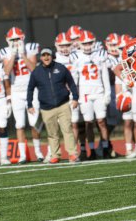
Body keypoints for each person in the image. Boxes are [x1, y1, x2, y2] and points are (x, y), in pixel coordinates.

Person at [0, 26, 44, 164]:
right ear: (8, 40)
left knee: (34, 123)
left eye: (17, 39)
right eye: (12, 39)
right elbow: (6, 72)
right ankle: (23, 155)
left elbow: (34, 69)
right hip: (16, 91)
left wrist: (22, 54)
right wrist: (13, 54)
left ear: (22, 38)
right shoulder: (5, 52)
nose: (15, 41)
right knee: (19, 124)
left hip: (31, 90)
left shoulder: (30, 48)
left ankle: (38, 152)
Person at [27, 48, 79, 163]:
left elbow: (71, 83)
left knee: (67, 129)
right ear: (41, 57)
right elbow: (30, 89)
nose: (46, 58)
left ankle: (72, 154)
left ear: (52, 56)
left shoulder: (61, 68)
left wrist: (75, 98)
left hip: (63, 104)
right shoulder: (36, 72)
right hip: (46, 108)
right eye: (44, 55)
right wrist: (29, 104)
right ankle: (55, 155)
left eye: (48, 55)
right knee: (52, 133)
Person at [72, 30, 111, 159]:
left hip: (99, 93)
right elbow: (75, 79)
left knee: (101, 121)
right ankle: (92, 150)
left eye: (90, 43)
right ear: (81, 44)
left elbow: (105, 75)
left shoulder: (100, 54)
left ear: (93, 43)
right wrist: (75, 97)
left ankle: (106, 148)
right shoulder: (76, 56)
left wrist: (107, 93)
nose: (88, 46)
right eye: (85, 43)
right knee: (88, 123)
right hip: (85, 95)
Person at [54, 32, 87, 161]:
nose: (64, 48)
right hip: (59, 97)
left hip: (74, 95)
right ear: (56, 46)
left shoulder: (77, 57)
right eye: (62, 46)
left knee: (74, 124)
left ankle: (74, 152)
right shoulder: (53, 59)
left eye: (67, 45)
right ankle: (54, 151)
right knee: (58, 126)